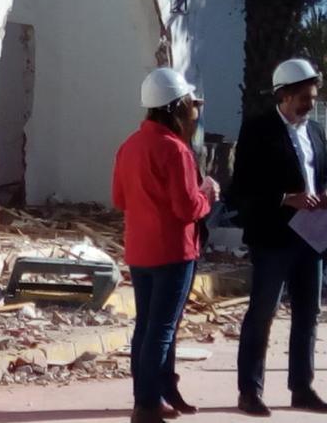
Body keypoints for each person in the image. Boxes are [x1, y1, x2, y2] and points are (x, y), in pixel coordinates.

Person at [231, 58, 327, 416]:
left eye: (312, 97)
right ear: (284, 95)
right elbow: (241, 189)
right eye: (304, 98)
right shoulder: (258, 130)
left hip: (311, 237)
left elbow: (324, 173)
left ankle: (302, 388)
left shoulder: (315, 131)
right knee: (263, 312)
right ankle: (250, 391)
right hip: (273, 238)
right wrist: (284, 198)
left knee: (309, 312)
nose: (310, 104)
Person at [113, 68, 219, 423]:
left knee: (147, 326)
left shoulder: (130, 144)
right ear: (176, 107)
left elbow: (119, 198)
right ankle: (147, 402)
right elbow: (188, 208)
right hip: (174, 251)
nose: (196, 110)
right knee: (162, 329)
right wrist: (208, 195)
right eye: (191, 104)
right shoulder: (176, 150)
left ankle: (155, 392)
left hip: (140, 250)